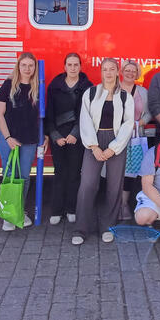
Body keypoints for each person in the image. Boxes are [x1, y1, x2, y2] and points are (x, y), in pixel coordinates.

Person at [72, 58, 134, 245]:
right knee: (88, 185)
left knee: (114, 186)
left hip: (116, 142)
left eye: (112, 69)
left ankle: (108, 227)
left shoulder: (125, 97)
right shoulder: (90, 93)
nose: (108, 73)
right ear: (101, 72)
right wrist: (94, 146)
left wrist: (113, 148)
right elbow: (85, 120)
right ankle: (81, 229)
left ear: (117, 72)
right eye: (105, 69)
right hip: (94, 141)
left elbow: (128, 124)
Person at [0, 52, 48, 231]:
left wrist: (45, 135)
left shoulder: (38, 87)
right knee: (9, 175)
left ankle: (19, 210)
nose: (27, 69)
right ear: (18, 66)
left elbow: (42, 117)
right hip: (8, 139)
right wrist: (8, 137)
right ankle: (8, 214)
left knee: (24, 177)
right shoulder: (8, 85)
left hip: (30, 140)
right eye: (24, 65)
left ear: (35, 68)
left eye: (30, 66)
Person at [45, 53, 92, 225]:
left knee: (74, 174)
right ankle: (57, 210)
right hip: (58, 136)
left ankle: (72, 209)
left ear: (80, 66)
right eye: (69, 65)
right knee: (60, 173)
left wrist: (75, 134)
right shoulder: (54, 86)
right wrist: (55, 136)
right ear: (64, 67)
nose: (73, 68)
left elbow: (87, 115)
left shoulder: (88, 87)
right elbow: (49, 113)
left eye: (76, 65)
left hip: (77, 137)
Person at [119, 59, 152, 220]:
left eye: (134, 71)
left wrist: (139, 123)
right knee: (115, 171)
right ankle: (115, 204)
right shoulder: (113, 90)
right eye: (127, 70)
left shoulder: (143, 92)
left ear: (137, 74)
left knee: (131, 173)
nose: (130, 73)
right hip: (117, 138)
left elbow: (149, 113)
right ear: (122, 71)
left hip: (136, 137)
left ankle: (125, 204)